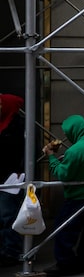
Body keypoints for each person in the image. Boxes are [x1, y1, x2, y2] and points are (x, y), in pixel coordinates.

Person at [42, 115, 84, 277]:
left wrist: (51, 157)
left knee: (63, 227)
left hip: (79, 196)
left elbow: (63, 174)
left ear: (73, 131)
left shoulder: (74, 151)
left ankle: (65, 262)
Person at [0, 94, 25, 266]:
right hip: (5, 175)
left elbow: (22, 151)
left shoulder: (18, 126)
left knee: (7, 215)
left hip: (11, 178)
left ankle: (11, 251)